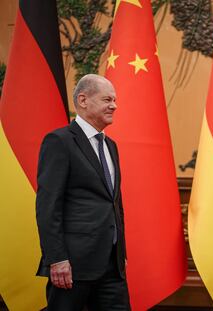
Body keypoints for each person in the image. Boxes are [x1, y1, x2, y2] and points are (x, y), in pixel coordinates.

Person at [36, 74, 130, 310]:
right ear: (83, 100)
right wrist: (56, 259)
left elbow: (114, 203)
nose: (114, 106)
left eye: (115, 100)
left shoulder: (111, 146)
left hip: (112, 265)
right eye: (107, 99)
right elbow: (48, 206)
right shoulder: (59, 141)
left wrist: (121, 254)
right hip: (72, 266)